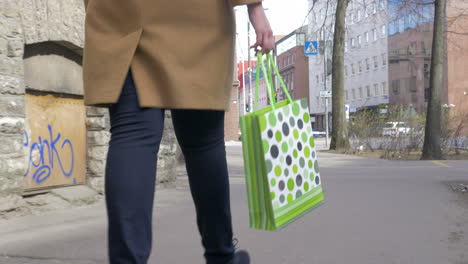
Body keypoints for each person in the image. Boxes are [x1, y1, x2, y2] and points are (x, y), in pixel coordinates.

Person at [82, 0, 274, 263]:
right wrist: (255, 7)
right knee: (204, 144)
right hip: (198, 16)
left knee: (133, 134)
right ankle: (221, 256)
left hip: (124, 11)